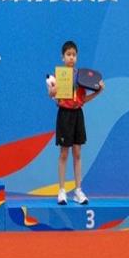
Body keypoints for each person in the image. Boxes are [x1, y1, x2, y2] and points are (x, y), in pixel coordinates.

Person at [49, 40, 104, 205]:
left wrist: (98, 91)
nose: (71, 57)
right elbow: (53, 96)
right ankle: (61, 190)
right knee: (64, 153)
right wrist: (52, 92)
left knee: (78, 153)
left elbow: (83, 100)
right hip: (64, 115)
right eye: (68, 54)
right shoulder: (57, 76)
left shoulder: (82, 77)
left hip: (78, 115)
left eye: (74, 54)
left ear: (77, 57)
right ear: (63, 57)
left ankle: (78, 190)